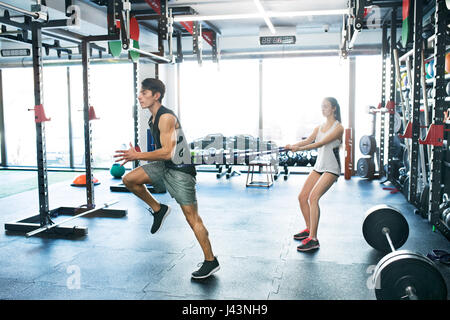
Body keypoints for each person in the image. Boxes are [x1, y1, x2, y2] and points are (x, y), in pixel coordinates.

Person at [114, 78, 220, 279]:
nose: (139, 96)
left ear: (156, 95)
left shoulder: (166, 118)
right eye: (140, 93)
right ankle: (158, 208)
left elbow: (167, 153)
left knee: (192, 219)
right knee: (129, 179)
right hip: (165, 166)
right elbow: (164, 155)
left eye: (144, 93)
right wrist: (139, 156)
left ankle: (210, 260)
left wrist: (137, 155)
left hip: (181, 171)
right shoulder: (152, 119)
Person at [284, 97, 344, 252]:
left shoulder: (339, 128)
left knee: (313, 197)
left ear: (334, 109)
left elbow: (319, 144)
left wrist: (299, 150)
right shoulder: (319, 127)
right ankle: (309, 229)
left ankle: (314, 239)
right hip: (319, 166)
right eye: (322, 107)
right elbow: (308, 140)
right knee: (302, 197)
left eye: (326, 107)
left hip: (332, 168)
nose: (323, 109)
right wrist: (292, 145)